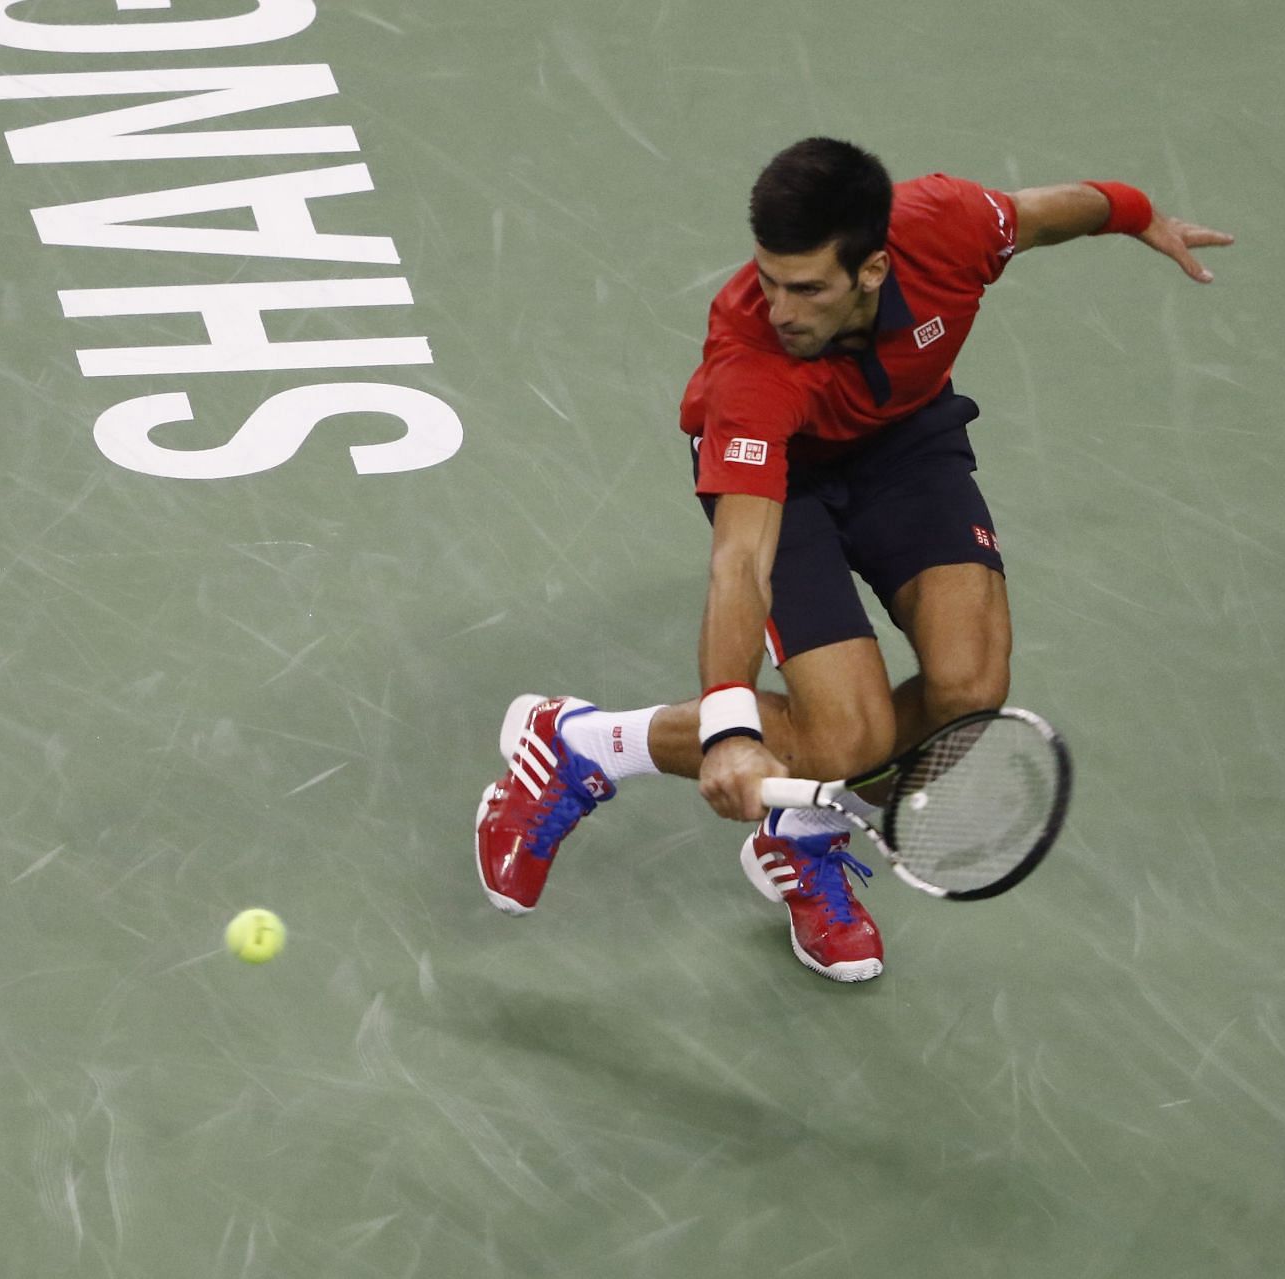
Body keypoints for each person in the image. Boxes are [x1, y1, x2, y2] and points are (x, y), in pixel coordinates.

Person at [475, 138, 1233, 982]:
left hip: (905, 441)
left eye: (806, 288)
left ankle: (799, 830)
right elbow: (741, 563)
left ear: (874, 269)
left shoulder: (950, 227)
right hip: (784, 477)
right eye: (767, 279)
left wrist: (1135, 213)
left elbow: (1056, 211)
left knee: (971, 686)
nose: (780, 307)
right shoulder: (752, 368)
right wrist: (728, 728)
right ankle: (584, 742)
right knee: (848, 734)